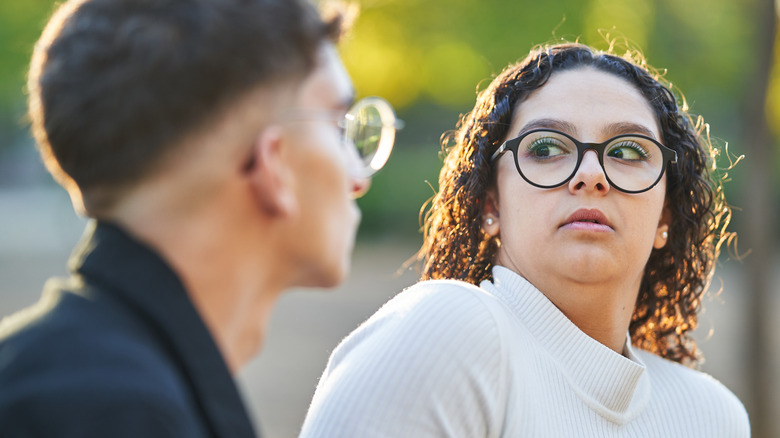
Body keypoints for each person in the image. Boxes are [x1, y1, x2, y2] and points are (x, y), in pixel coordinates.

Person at [300, 43, 750, 437]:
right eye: (546, 148)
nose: (591, 175)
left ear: (664, 217)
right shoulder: (448, 333)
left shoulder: (712, 417)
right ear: (490, 205)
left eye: (628, 151)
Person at [0, 0, 401, 436]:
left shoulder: (77, 379)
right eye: (339, 127)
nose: (358, 177)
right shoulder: (118, 412)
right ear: (273, 164)